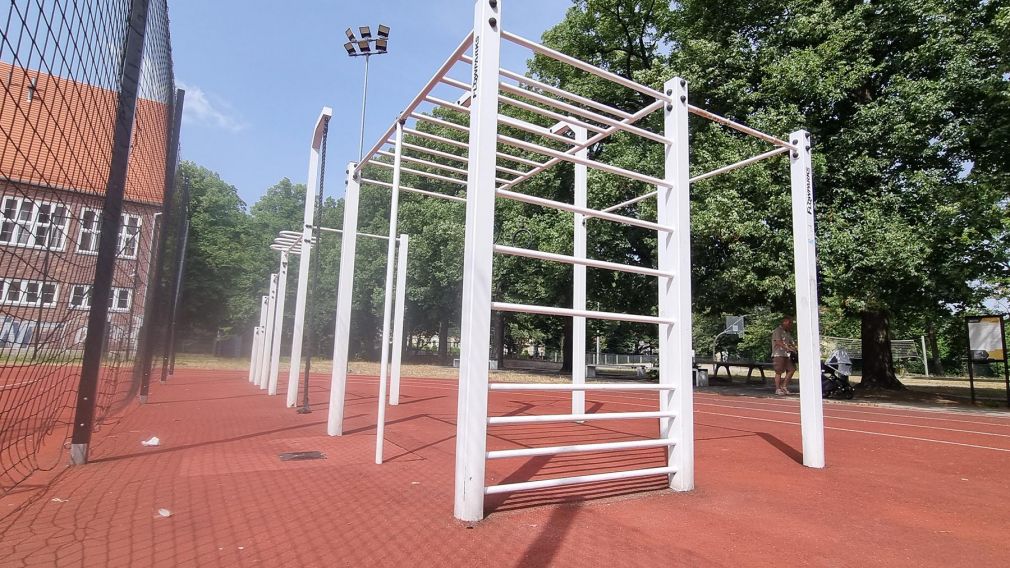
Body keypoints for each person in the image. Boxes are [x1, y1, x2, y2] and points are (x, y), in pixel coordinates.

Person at [771, 316, 798, 395]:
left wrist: (794, 348)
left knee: (792, 369)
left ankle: (784, 386)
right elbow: (778, 342)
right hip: (778, 354)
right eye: (790, 323)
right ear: (785, 322)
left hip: (787, 355)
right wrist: (787, 348)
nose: (791, 325)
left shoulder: (787, 332)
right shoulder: (777, 330)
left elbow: (790, 343)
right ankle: (777, 389)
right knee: (779, 371)